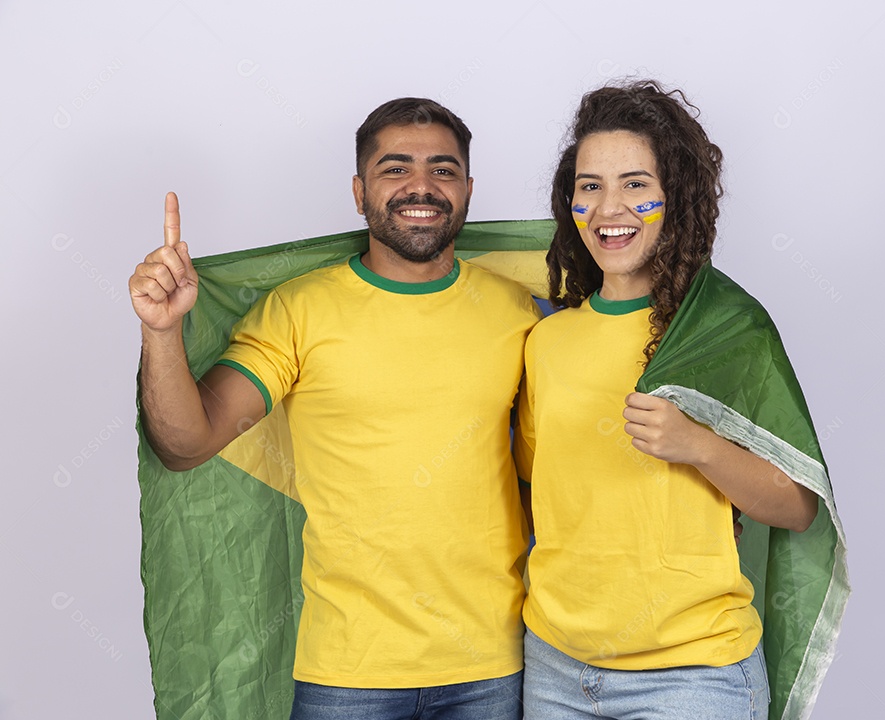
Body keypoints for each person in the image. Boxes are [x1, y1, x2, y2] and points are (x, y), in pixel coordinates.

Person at [129, 98, 542, 720]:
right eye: (395, 168)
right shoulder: (299, 311)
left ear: (468, 188)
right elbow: (187, 444)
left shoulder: (518, 311)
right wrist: (161, 333)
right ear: (359, 190)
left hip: (496, 666)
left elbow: (551, 472)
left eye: (444, 169)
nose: (421, 186)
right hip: (347, 673)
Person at [513, 81, 824, 719]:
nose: (608, 208)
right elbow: (535, 487)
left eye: (634, 184)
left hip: (692, 675)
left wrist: (698, 447)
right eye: (590, 185)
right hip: (553, 667)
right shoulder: (546, 341)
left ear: (675, 198)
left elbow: (797, 507)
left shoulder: (721, 331)